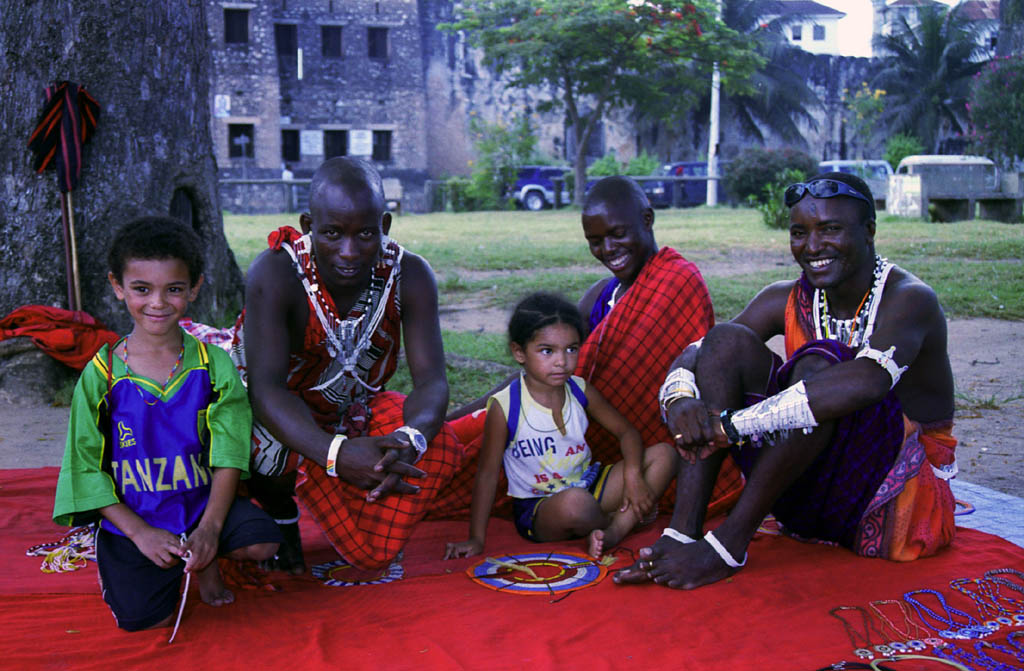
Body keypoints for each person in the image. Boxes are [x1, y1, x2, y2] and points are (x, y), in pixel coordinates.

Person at [615, 172, 957, 590]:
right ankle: (682, 534)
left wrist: (731, 426)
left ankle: (726, 547)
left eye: (830, 229)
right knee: (725, 342)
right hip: (809, 496)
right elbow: (700, 351)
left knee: (821, 365)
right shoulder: (788, 296)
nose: (812, 247)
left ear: (869, 231)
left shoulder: (909, 299)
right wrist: (680, 401)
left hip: (896, 504)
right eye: (799, 232)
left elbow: (867, 382)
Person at [433, 176, 743, 521]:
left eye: (617, 234)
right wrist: (453, 419)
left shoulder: (677, 280)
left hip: (617, 447)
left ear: (647, 220)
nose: (608, 249)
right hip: (554, 425)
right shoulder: (599, 295)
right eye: (595, 241)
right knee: (454, 437)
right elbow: (536, 372)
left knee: (468, 465)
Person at [53, 216, 281, 631]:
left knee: (263, 541)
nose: (157, 303)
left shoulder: (214, 366)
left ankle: (205, 561)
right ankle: (133, 555)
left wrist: (210, 529)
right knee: (145, 620)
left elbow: (229, 452)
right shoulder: (101, 375)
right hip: (135, 515)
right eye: (142, 289)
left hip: (199, 506)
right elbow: (85, 467)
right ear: (118, 286)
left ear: (193, 288)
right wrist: (140, 532)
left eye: (173, 289)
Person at [236, 156, 461, 573]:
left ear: (386, 227)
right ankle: (279, 511)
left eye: (365, 234)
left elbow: (431, 381)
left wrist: (409, 440)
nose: (349, 251)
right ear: (307, 226)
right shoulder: (277, 272)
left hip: (348, 409)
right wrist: (337, 454)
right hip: (276, 410)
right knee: (266, 449)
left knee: (441, 448)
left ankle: (356, 517)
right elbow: (266, 389)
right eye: (332, 233)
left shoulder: (409, 274)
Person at [444, 293, 677, 559]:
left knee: (664, 455)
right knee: (576, 504)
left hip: (590, 483)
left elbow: (627, 433)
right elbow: (486, 474)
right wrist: (476, 538)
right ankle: (621, 518)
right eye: (547, 351)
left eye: (571, 349)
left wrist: (634, 476)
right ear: (519, 352)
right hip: (541, 507)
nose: (562, 361)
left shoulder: (579, 390)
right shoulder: (505, 406)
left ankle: (614, 531)